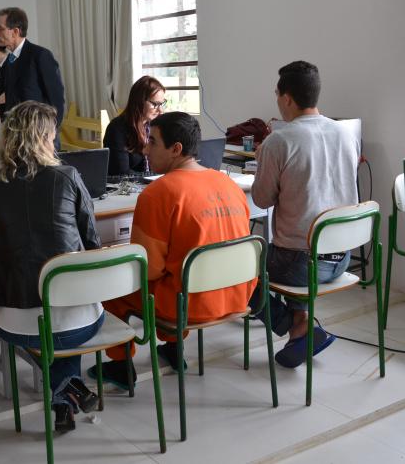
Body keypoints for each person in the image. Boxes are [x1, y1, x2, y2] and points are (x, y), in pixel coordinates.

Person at [88, 112, 256, 388]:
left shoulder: (159, 192)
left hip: (188, 305)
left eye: (152, 142)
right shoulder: (228, 183)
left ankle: (120, 365)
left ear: (176, 149)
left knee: (113, 287)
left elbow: (148, 271)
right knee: (177, 274)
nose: (145, 150)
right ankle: (173, 349)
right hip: (237, 295)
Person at [0, 101, 101, 433]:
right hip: (79, 319)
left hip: (15, 319)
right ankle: (67, 391)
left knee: (43, 330)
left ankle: (64, 395)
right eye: (52, 135)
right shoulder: (68, 176)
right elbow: (92, 242)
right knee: (62, 325)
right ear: (45, 138)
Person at [249, 60, 360, 368]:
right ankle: (301, 322)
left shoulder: (279, 141)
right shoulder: (346, 134)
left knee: (235, 271)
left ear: (286, 98)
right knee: (293, 240)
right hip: (341, 257)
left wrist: (262, 163)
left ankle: (293, 324)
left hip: (300, 264)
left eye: (277, 95)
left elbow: (261, 199)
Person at [0, 7, 65, 126]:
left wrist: (49, 133)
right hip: (15, 133)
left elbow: (56, 101)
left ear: (15, 32)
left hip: (39, 134)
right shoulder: (9, 61)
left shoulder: (40, 55)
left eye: (0, 28)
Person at [103, 76, 167, 177]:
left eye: (162, 104)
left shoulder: (153, 125)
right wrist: (153, 176)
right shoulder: (117, 129)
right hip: (126, 185)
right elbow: (121, 173)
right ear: (139, 101)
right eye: (155, 104)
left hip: (148, 181)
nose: (160, 111)